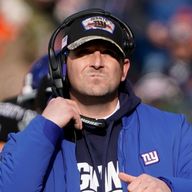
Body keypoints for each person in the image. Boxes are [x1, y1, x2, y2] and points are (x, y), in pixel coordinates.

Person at [1, 8, 192, 192]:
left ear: (124, 69)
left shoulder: (174, 130)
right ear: (63, 66)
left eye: (108, 53)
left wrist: (170, 187)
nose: (97, 62)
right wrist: (45, 127)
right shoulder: (38, 134)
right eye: (84, 52)